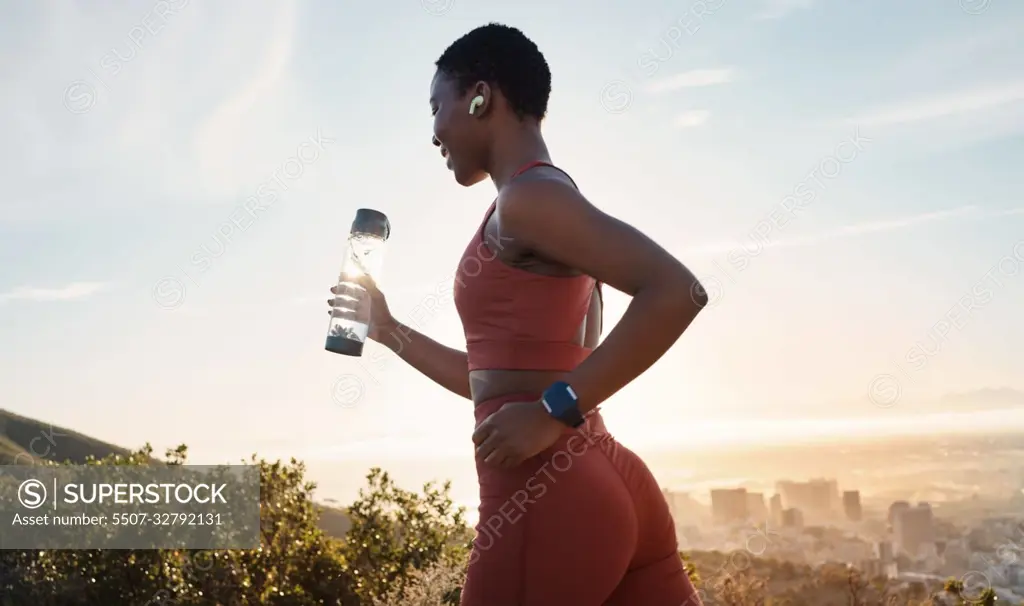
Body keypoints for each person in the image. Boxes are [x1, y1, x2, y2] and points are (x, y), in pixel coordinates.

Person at [329, 23, 706, 606]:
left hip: (546, 493)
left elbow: (677, 292)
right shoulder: (540, 202)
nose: (433, 133)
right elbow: (498, 381)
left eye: (437, 106)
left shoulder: (528, 200)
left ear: (481, 97)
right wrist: (388, 330)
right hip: (603, 475)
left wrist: (552, 414)